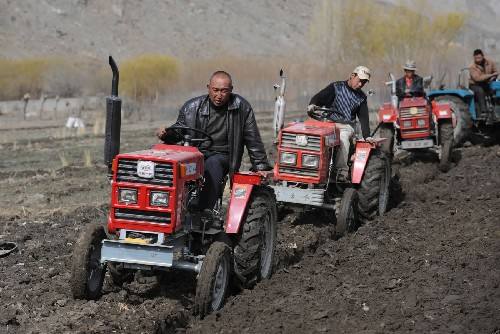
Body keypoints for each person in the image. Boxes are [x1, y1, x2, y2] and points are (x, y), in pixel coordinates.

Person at [157, 71, 271, 214]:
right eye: (215, 90)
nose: (219, 95)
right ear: (208, 88)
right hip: (195, 154)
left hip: (224, 156)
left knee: (213, 163)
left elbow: (252, 138)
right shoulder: (192, 107)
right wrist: (166, 134)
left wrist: (260, 165)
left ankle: (202, 211)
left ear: (231, 90)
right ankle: (164, 206)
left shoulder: (242, 108)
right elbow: (179, 132)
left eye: (224, 91)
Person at [307, 66, 372, 180]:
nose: (361, 84)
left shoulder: (361, 98)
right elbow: (319, 97)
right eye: (360, 80)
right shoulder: (336, 87)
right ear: (352, 76)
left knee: (342, 138)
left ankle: (340, 172)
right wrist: (313, 104)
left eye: (364, 82)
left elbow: (364, 118)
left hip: (346, 127)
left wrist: (367, 136)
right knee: (309, 133)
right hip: (328, 123)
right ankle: (308, 166)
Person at [469, 49, 498, 117]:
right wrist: (490, 75)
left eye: (479, 57)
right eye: (476, 58)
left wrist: (493, 77)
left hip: (487, 83)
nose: (478, 60)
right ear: (474, 57)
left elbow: (496, 71)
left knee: (494, 89)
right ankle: (483, 111)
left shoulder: (490, 62)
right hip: (475, 84)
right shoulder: (472, 67)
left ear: (483, 56)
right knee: (480, 91)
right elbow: (477, 78)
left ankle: (494, 108)